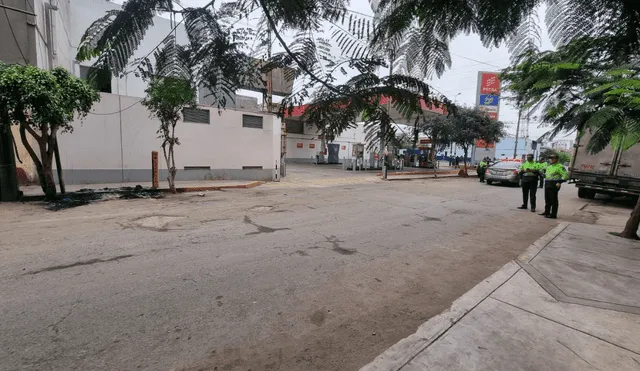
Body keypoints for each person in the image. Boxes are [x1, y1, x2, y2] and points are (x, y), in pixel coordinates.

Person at [539, 154, 569, 219]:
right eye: (550, 158)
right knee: (547, 199)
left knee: (553, 200)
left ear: (557, 159)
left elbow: (566, 176)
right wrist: (543, 175)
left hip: (554, 184)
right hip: (547, 183)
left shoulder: (560, 166)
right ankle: (547, 212)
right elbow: (547, 175)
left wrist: (560, 182)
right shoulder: (549, 166)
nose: (551, 159)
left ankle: (553, 214)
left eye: (553, 158)